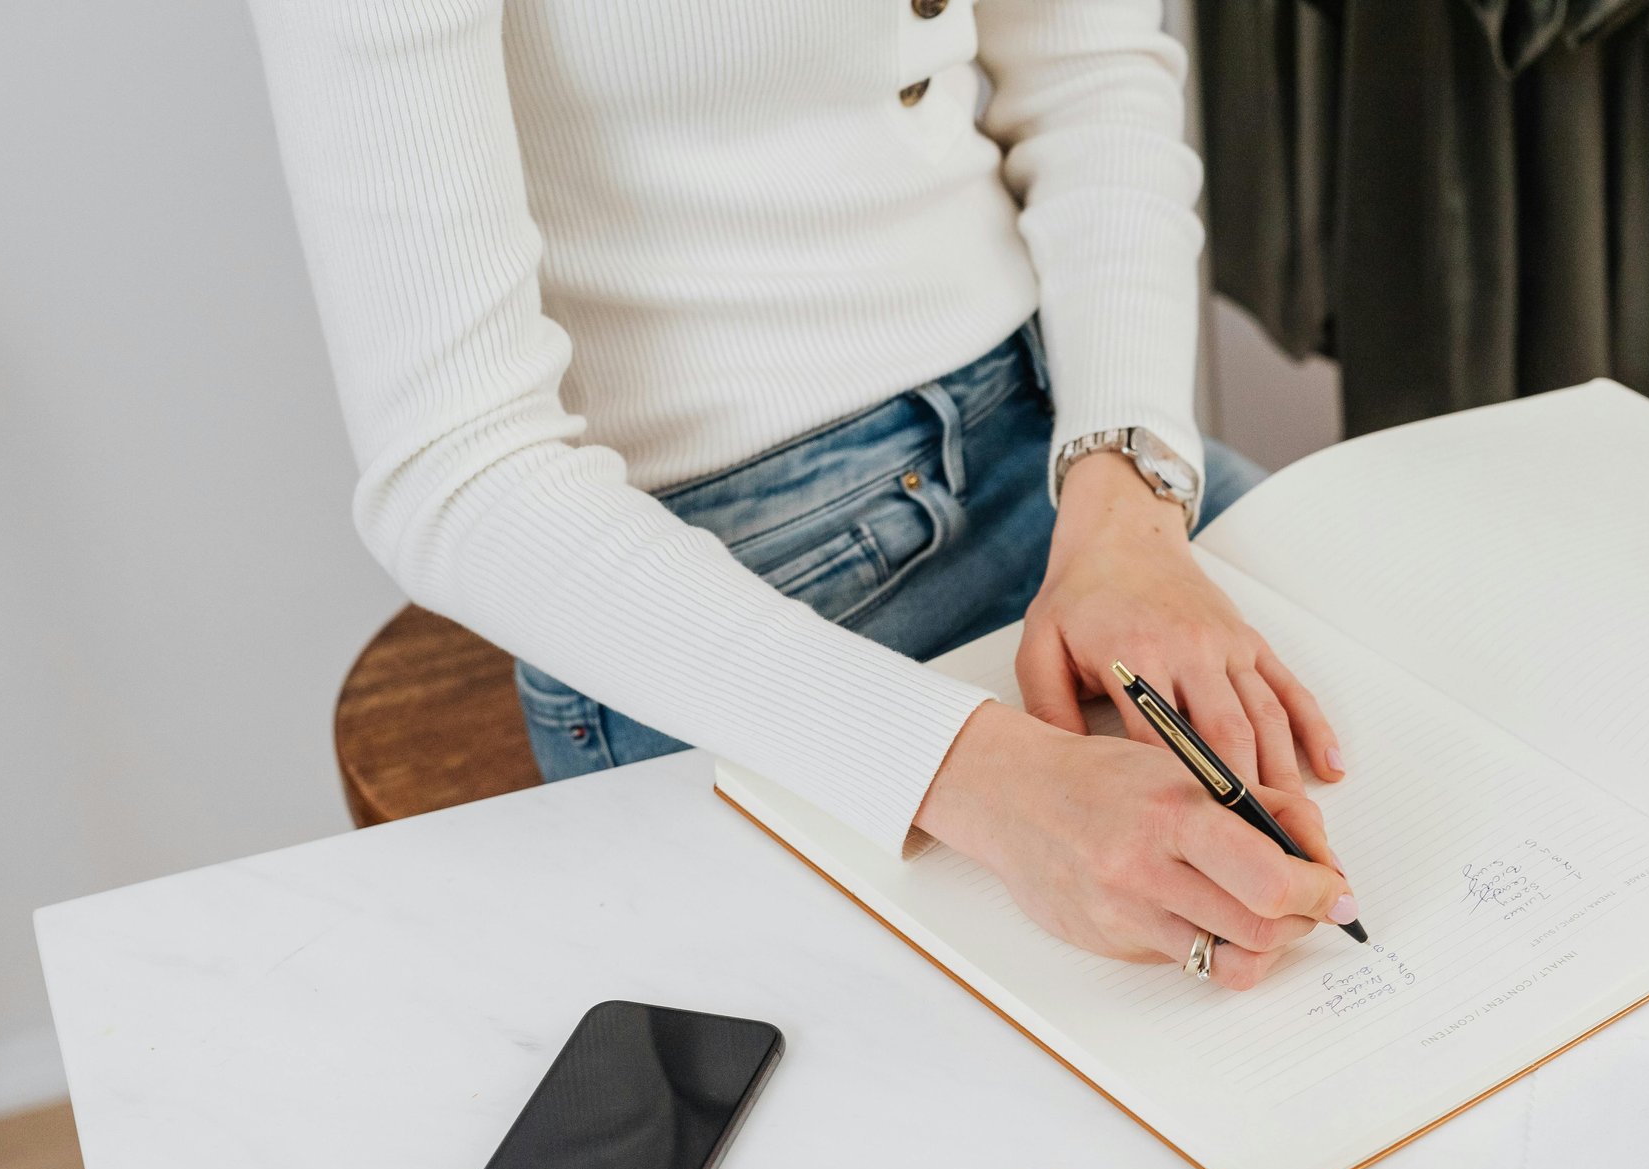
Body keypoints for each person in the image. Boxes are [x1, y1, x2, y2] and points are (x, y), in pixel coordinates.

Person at [247, 0, 1359, 990]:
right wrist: (994, 785)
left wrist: (1128, 500)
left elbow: (1090, 73)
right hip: (720, 582)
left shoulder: (1112, 478)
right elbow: (457, 464)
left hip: (1069, 421)